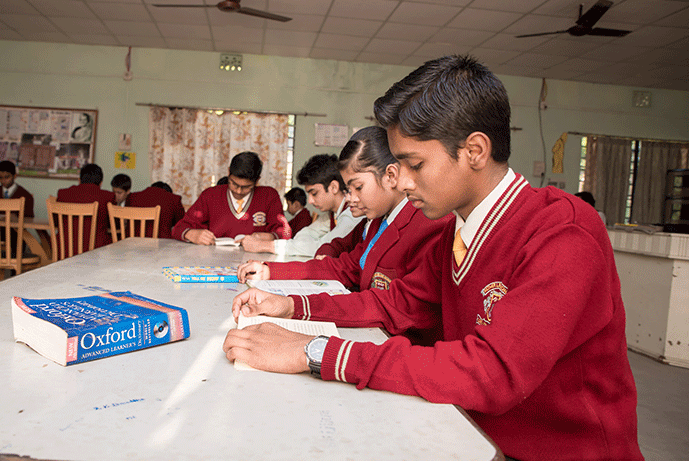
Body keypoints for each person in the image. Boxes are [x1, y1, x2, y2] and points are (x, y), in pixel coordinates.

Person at [223, 56, 643, 461]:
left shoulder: (562, 230)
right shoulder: (456, 230)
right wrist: (293, 305)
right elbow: (396, 303)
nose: (402, 181)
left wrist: (315, 351)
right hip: (471, 431)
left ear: (474, 150)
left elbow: (492, 372)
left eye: (414, 164)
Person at [236, 126, 447, 302]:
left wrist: (297, 305)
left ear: (390, 176)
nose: (351, 198)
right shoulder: (376, 222)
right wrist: (271, 271)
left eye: (358, 188)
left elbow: (395, 306)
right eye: (349, 190)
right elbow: (347, 266)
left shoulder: (427, 224)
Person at [240, 153, 364, 257]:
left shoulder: (353, 214)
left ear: (333, 187)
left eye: (314, 193)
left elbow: (323, 247)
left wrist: (266, 245)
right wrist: (304, 246)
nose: (310, 201)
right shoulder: (332, 214)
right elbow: (306, 233)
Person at [172, 151, 291, 244]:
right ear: (228, 172)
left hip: (254, 262)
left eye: (246, 187)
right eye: (234, 183)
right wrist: (192, 234)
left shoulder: (269, 196)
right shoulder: (210, 195)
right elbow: (178, 229)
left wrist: (269, 237)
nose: (238, 191)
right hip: (212, 261)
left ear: (257, 180)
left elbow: (285, 233)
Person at [56, 163, 114, 252]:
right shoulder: (108, 196)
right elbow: (114, 224)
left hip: (64, 250)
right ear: (101, 183)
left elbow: (56, 221)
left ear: (79, 180)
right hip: (97, 253)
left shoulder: (63, 194)